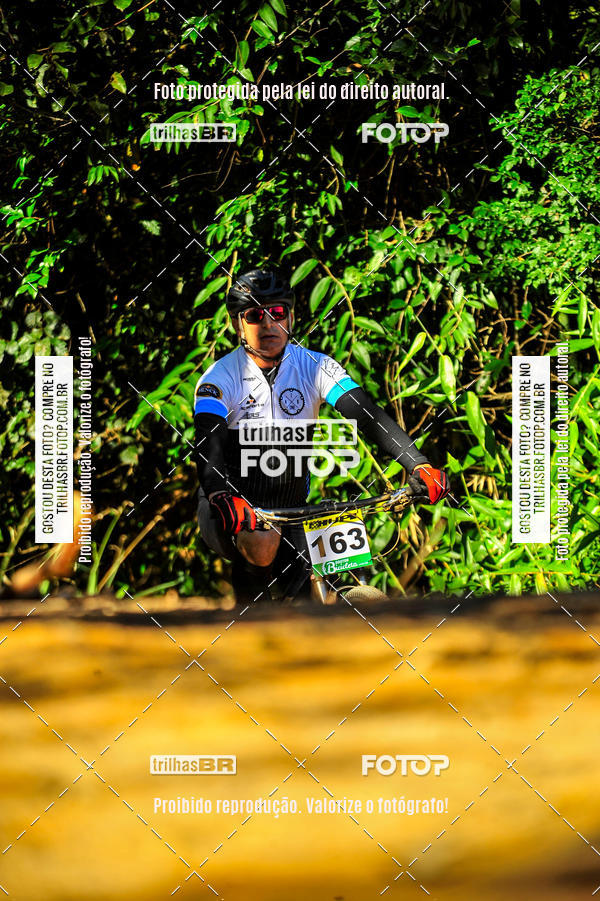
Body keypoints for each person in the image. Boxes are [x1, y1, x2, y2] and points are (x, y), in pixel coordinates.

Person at [192, 267, 449, 604]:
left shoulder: (314, 366)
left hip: (295, 507)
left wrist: (418, 463)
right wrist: (220, 494)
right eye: (254, 315)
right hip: (231, 507)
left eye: (277, 312)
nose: (268, 324)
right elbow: (207, 444)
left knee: (332, 558)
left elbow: (367, 415)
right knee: (262, 540)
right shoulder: (220, 377)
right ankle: (251, 621)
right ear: (238, 324)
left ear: (291, 317)